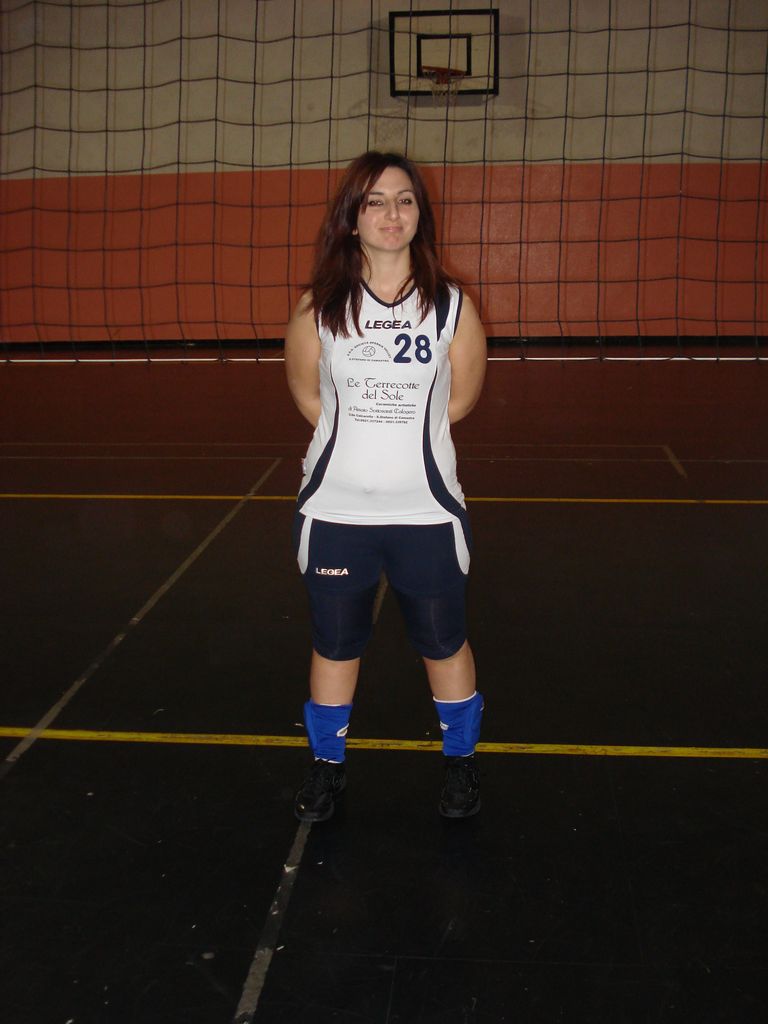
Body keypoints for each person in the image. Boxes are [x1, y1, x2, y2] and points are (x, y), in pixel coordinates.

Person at [284, 151, 486, 823]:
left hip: (426, 510)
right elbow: (308, 394)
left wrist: (400, 437)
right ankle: (326, 767)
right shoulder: (318, 306)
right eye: (374, 201)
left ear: (420, 214)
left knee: (443, 641)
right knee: (336, 643)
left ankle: (460, 763)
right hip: (335, 510)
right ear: (352, 217)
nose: (391, 213)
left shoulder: (452, 306)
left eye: (404, 200)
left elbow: (460, 400)